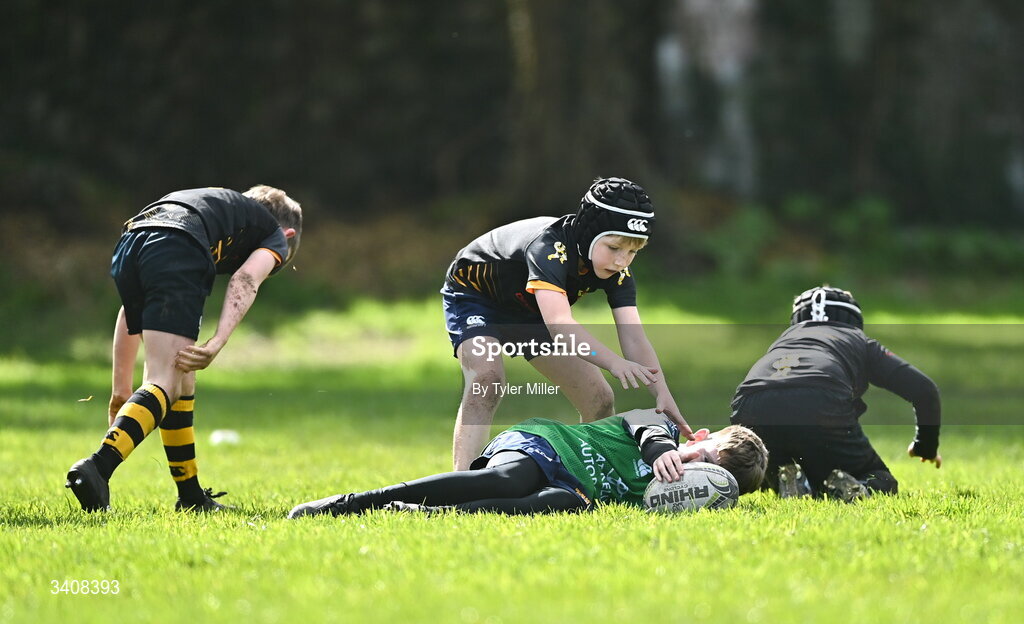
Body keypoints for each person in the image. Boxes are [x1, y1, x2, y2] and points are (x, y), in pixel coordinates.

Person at [65, 186, 302, 512]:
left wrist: (121, 391)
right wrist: (218, 341)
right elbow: (246, 278)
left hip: (133, 239)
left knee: (181, 376)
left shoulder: (219, 211)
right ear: (287, 234)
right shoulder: (275, 234)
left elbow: (131, 312)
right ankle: (97, 467)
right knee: (166, 379)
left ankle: (190, 497)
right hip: (178, 247)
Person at [442, 177, 693, 471]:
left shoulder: (619, 271)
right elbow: (560, 325)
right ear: (589, 234)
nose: (621, 261)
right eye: (613, 247)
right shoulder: (549, 248)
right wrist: (613, 363)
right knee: (487, 378)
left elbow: (634, 337)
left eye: (633, 252)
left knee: (599, 397)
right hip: (476, 297)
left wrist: (662, 391)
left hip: (531, 310)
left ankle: (592, 476)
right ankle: (463, 481)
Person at [287, 408, 767, 517]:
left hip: (572, 484)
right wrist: (663, 450)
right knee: (513, 478)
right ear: (698, 438)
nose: (694, 470)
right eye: (701, 457)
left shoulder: (678, 494)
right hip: (546, 444)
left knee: (568, 503)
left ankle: (431, 514)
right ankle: (359, 502)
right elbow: (644, 421)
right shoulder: (661, 429)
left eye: (709, 475)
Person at [730, 286, 942, 502]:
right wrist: (925, 446)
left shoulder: (784, 340)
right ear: (854, 320)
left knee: (772, 469)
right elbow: (924, 390)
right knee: (882, 480)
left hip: (750, 404)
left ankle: (787, 479)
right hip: (819, 400)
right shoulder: (858, 340)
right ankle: (861, 487)